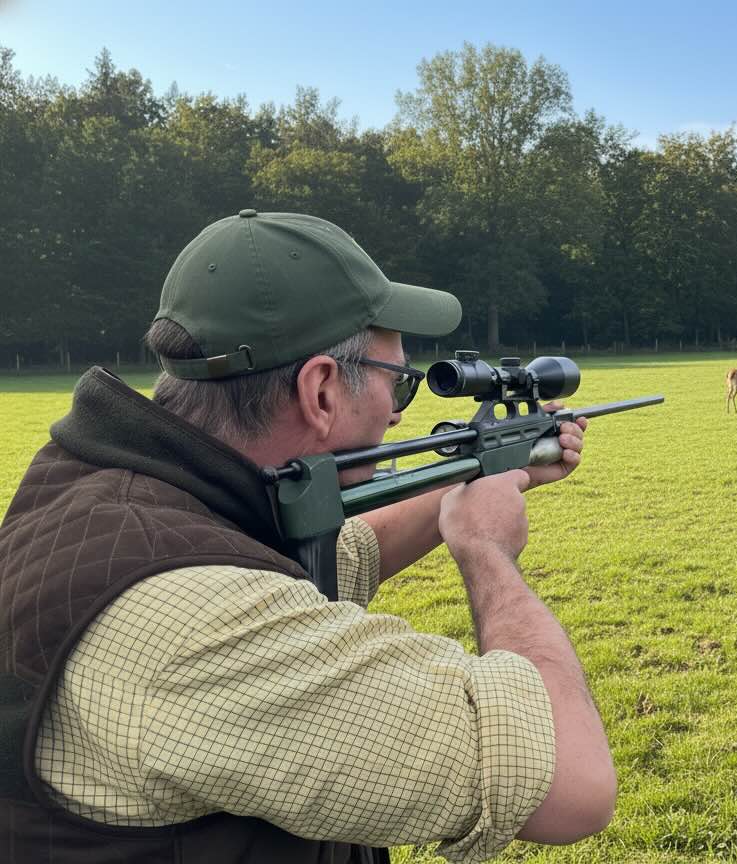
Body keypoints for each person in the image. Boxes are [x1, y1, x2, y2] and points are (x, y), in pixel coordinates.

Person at [0, 210, 616, 863]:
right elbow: (572, 783)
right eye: (398, 386)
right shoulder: (201, 626)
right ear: (320, 390)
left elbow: (337, 550)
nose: (396, 412)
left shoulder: (115, 493)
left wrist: (487, 469)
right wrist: (488, 552)